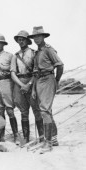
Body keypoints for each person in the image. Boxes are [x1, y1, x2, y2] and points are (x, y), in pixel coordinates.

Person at [28, 26, 64, 154]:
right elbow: (35, 72)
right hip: (39, 81)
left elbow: (60, 65)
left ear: (43, 37)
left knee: (45, 110)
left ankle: (48, 143)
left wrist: (57, 81)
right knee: (46, 110)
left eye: (38, 36)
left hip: (48, 79)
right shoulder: (37, 52)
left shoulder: (49, 49)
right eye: (34, 37)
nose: (36, 38)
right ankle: (52, 138)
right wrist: (33, 89)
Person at [11, 30, 43, 143]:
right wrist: (22, 85)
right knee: (24, 112)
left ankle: (42, 138)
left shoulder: (34, 53)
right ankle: (26, 138)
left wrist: (29, 84)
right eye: (19, 39)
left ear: (28, 40)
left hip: (32, 82)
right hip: (19, 84)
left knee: (36, 110)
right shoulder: (15, 56)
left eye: (23, 39)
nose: (21, 41)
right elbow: (13, 73)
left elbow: (37, 71)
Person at [0, 34, 20, 145]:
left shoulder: (10, 56)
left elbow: (13, 72)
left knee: (10, 110)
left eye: (0, 43)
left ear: (3, 44)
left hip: (6, 82)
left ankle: (16, 135)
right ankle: (1, 135)